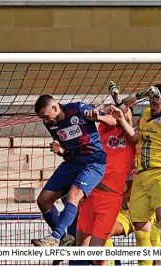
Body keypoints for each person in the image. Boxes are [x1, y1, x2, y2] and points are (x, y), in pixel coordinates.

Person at [112, 83, 161, 265]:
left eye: (156, 101)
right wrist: (122, 118)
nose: (152, 104)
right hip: (141, 175)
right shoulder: (146, 115)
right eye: (150, 101)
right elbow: (133, 136)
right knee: (140, 228)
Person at [32, 95, 114, 247]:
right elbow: (66, 149)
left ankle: (55, 237)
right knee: (43, 200)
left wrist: (99, 118)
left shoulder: (77, 109)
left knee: (73, 195)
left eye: (46, 115)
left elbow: (113, 121)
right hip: (72, 162)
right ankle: (64, 238)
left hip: (93, 160)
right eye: (42, 117)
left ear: (55, 108)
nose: (45, 119)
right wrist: (60, 150)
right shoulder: (50, 124)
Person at [75, 104, 135, 265]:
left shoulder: (133, 138)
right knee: (80, 248)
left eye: (120, 111)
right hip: (90, 195)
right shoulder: (100, 130)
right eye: (112, 110)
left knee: (97, 255)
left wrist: (122, 115)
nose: (114, 112)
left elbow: (126, 118)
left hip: (110, 200)